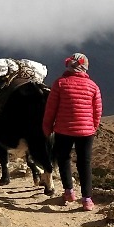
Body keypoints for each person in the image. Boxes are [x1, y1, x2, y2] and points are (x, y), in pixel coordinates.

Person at [42, 52, 102, 210]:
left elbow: (50, 109)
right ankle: (87, 200)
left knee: (63, 158)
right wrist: (92, 127)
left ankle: (69, 192)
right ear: (85, 68)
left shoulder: (60, 83)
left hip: (63, 129)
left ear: (70, 65)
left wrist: (47, 128)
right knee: (85, 163)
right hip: (86, 132)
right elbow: (97, 112)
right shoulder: (93, 86)